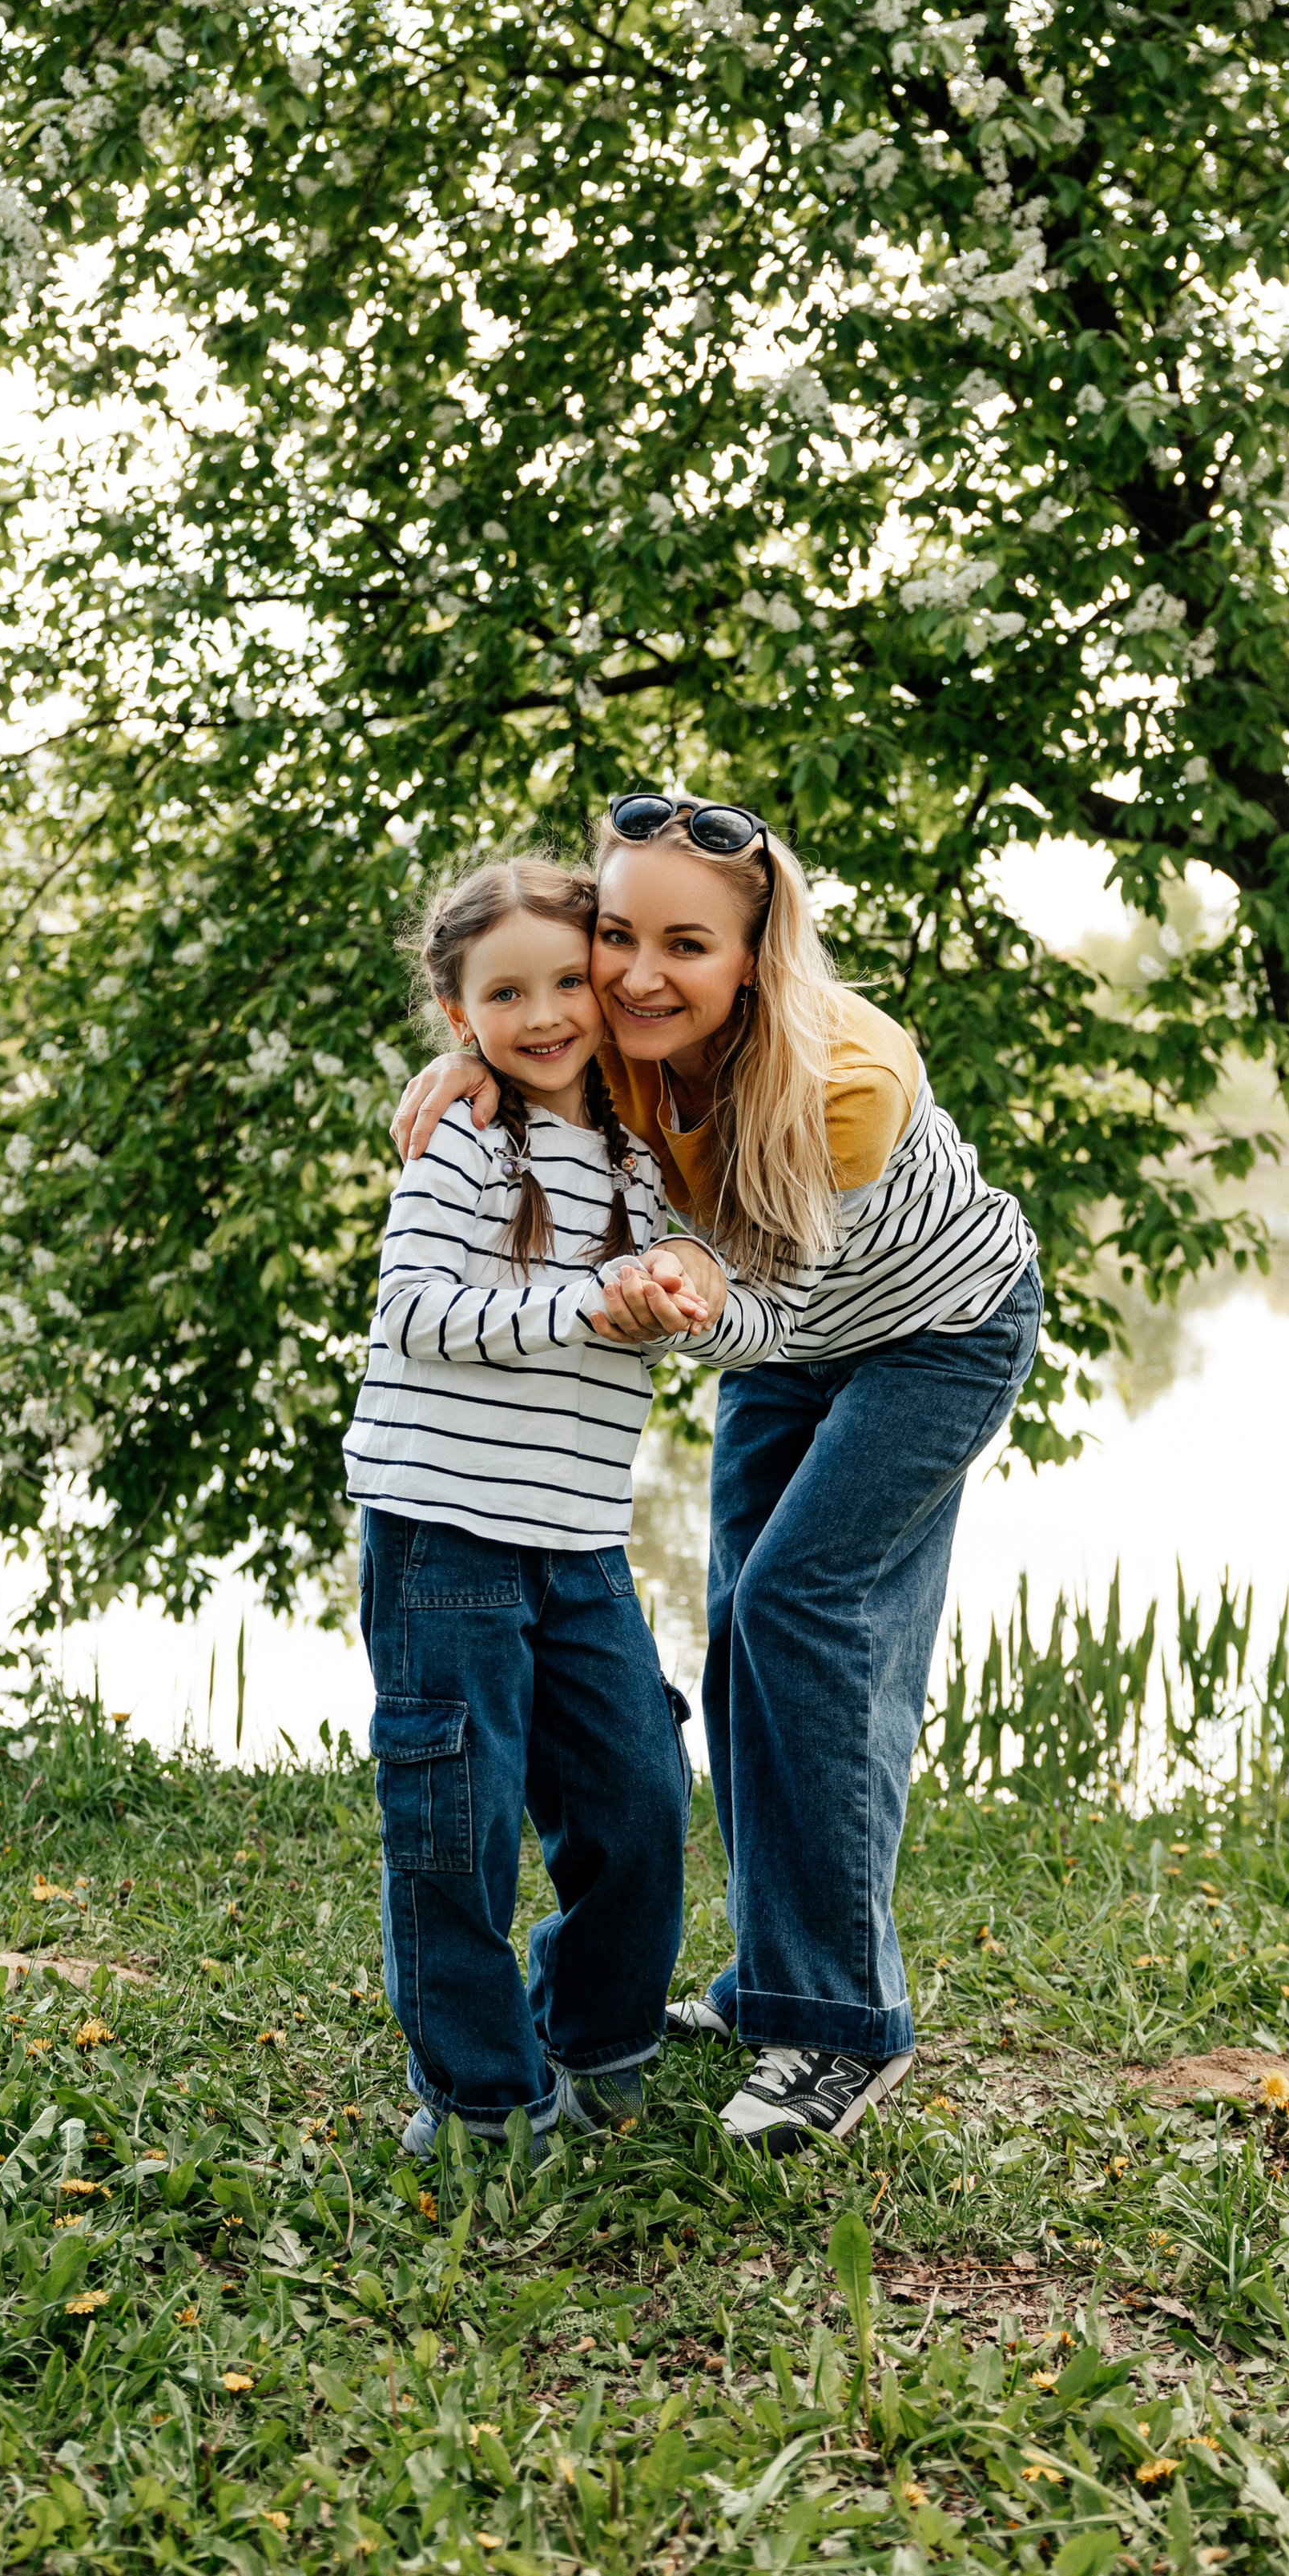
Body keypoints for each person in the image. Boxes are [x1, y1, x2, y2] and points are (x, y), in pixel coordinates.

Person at [392, 795, 1042, 2154]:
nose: (636, 976)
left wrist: (663, 1290)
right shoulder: (624, 1043)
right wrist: (467, 1069)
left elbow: (765, 1308)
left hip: (935, 1335)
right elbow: (530, 1042)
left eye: (685, 945)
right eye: (617, 936)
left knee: (801, 1609)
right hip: (788, 1343)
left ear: (754, 956)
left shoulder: (844, 1085)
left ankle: (842, 2025)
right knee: (742, 1629)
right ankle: (772, 1982)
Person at [347, 854, 717, 2159]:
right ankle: (480, 2099)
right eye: (507, 994)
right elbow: (415, 1312)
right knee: (454, 1820)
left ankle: (599, 2042)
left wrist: (667, 1292)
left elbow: (681, 1276)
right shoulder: (461, 1139)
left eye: (569, 981)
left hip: (578, 1537)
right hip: (443, 1530)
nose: (547, 1013)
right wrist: (587, 1304)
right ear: (461, 1016)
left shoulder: (642, 1153)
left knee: (638, 1793)